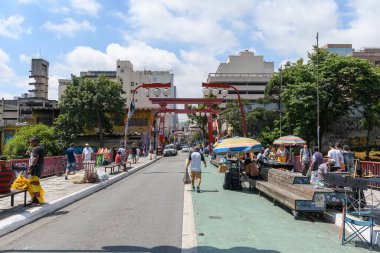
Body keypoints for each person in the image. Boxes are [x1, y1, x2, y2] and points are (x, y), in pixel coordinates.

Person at [27, 137, 44, 204]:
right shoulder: (40, 148)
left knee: (34, 184)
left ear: (35, 142)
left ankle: (36, 200)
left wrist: (30, 169)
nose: (30, 143)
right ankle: (35, 198)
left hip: (35, 168)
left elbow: (35, 159)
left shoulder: (36, 148)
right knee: (35, 183)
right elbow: (36, 156)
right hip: (39, 167)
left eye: (31, 142)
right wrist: (30, 153)